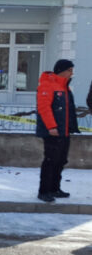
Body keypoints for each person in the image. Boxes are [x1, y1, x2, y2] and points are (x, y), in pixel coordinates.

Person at [35, 59, 79, 202]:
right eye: (69, 70)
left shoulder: (65, 87)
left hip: (64, 131)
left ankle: (55, 188)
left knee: (60, 161)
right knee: (50, 161)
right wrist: (51, 127)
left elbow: (69, 110)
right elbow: (44, 108)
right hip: (53, 131)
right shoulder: (47, 85)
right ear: (61, 70)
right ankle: (44, 191)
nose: (72, 73)